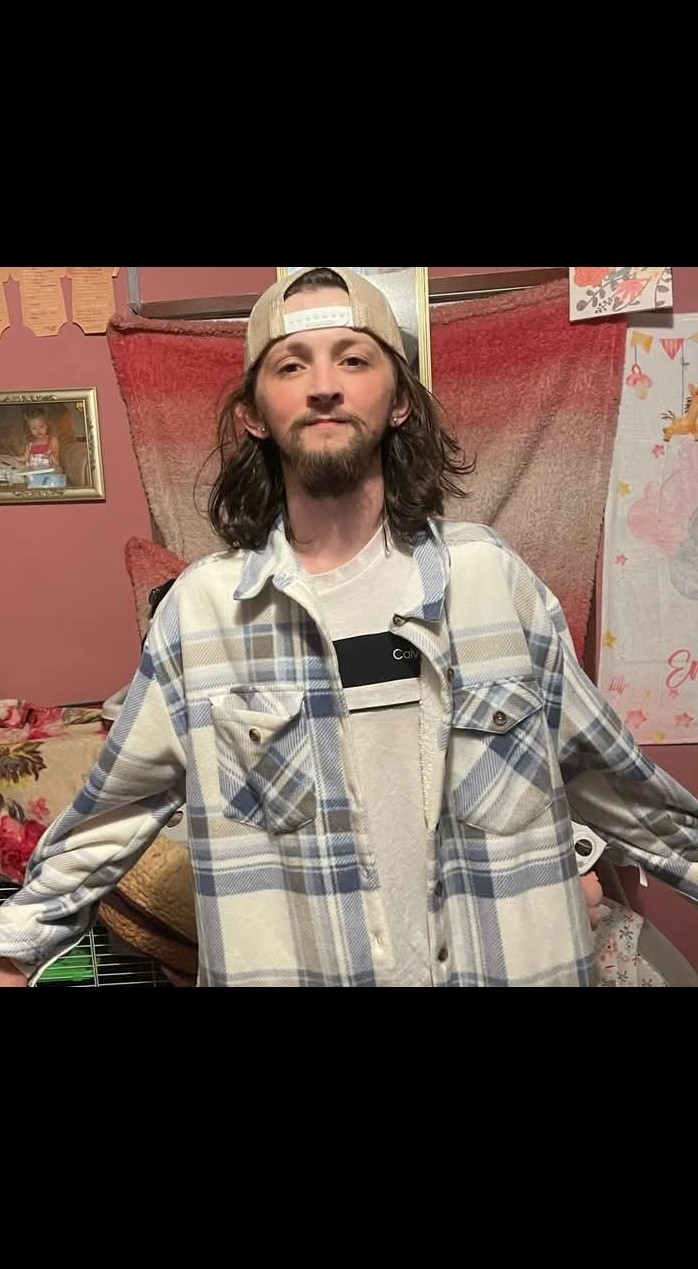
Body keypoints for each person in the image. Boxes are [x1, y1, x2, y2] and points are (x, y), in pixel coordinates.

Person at [0, 265, 696, 988]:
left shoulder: (493, 581)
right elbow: (112, 812)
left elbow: (618, 783)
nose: (324, 385)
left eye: (354, 359)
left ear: (399, 401)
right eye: (291, 365)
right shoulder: (202, 614)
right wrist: (14, 947)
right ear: (253, 414)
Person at [23, 406, 62, 470]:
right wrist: (11, 459)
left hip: (50, 472)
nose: (38, 430)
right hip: (34, 473)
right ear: (29, 430)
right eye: (34, 428)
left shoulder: (52, 440)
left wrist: (52, 455)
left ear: (47, 425)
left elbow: (56, 452)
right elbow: (24, 458)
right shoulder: (29, 444)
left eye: (41, 426)